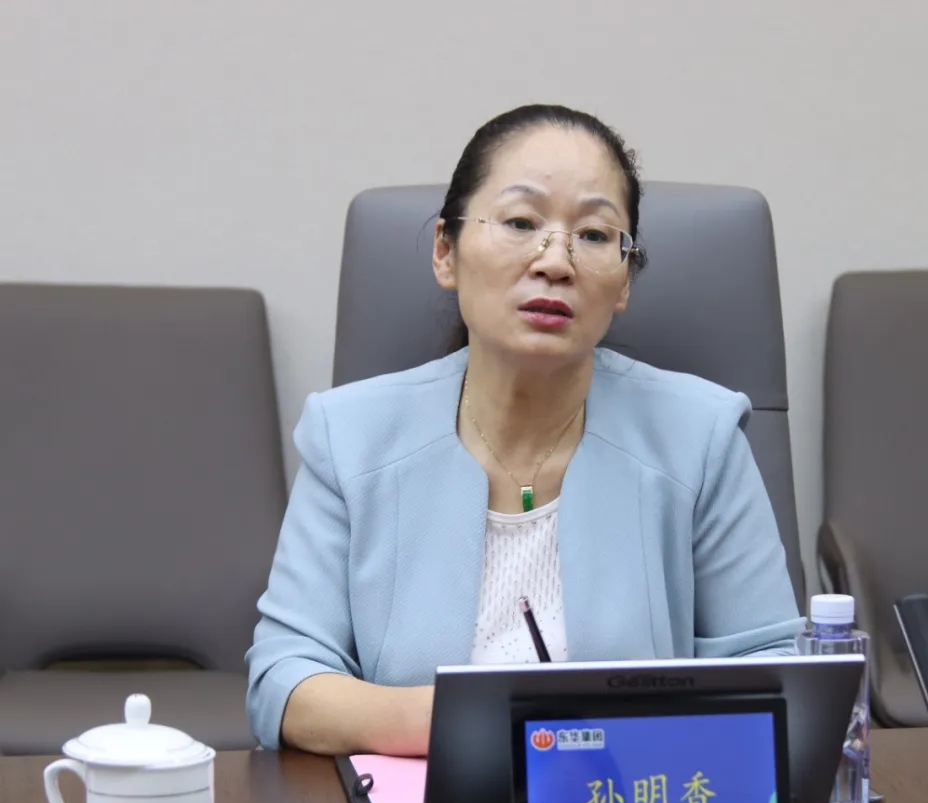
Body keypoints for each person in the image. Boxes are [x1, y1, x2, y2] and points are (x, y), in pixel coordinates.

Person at [245, 103, 804, 756]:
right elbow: (285, 679)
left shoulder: (701, 436)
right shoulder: (347, 435)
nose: (556, 261)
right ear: (446, 251)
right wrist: (483, 725)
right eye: (520, 222)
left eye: (594, 235)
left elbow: (772, 674)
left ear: (624, 281)